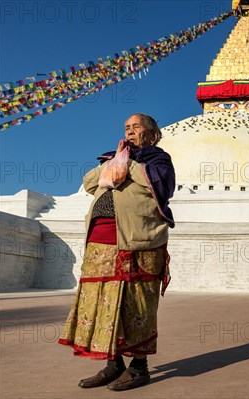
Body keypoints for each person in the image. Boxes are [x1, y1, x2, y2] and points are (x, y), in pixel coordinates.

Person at [58, 113, 175, 391]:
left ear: (151, 133)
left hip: (137, 243)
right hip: (100, 245)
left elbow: (158, 184)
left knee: (136, 304)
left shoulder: (158, 160)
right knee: (102, 304)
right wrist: (115, 161)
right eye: (127, 128)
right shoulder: (114, 158)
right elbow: (89, 183)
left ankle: (139, 367)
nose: (130, 131)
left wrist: (130, 163)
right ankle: (114, 365)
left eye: (136, 127)